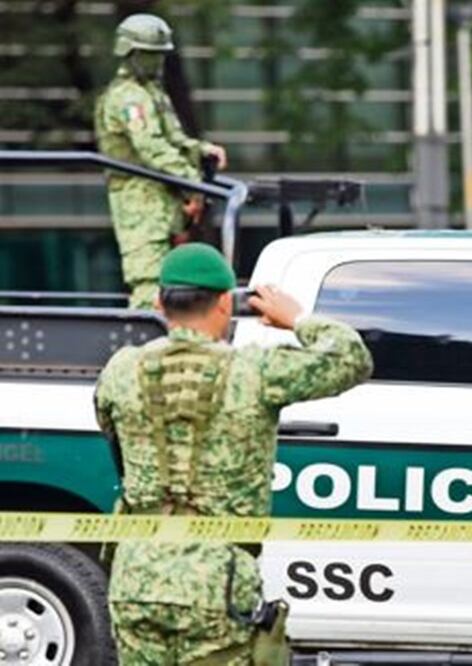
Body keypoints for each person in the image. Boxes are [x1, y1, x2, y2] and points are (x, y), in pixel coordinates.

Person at [94, 243, 372, 664]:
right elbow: (351, 356)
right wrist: (296, 318)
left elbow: (109, 428)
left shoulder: (121, 368)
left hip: (136, 577)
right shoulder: (254, 371)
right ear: (225, 302)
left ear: (159, 303)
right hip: (217, 580)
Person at [94, 13, 228, 309]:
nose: (157, 63)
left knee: (172, 283)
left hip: (163, 198)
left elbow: (174, 140)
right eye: (149, 56)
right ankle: (145, 342)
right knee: (148, 283)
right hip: (139, 201)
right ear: (129, 53)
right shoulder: (128, 97)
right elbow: (151, 147)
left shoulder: (152, 93)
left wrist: (201, 150)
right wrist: (192, 183)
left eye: (159, 56)